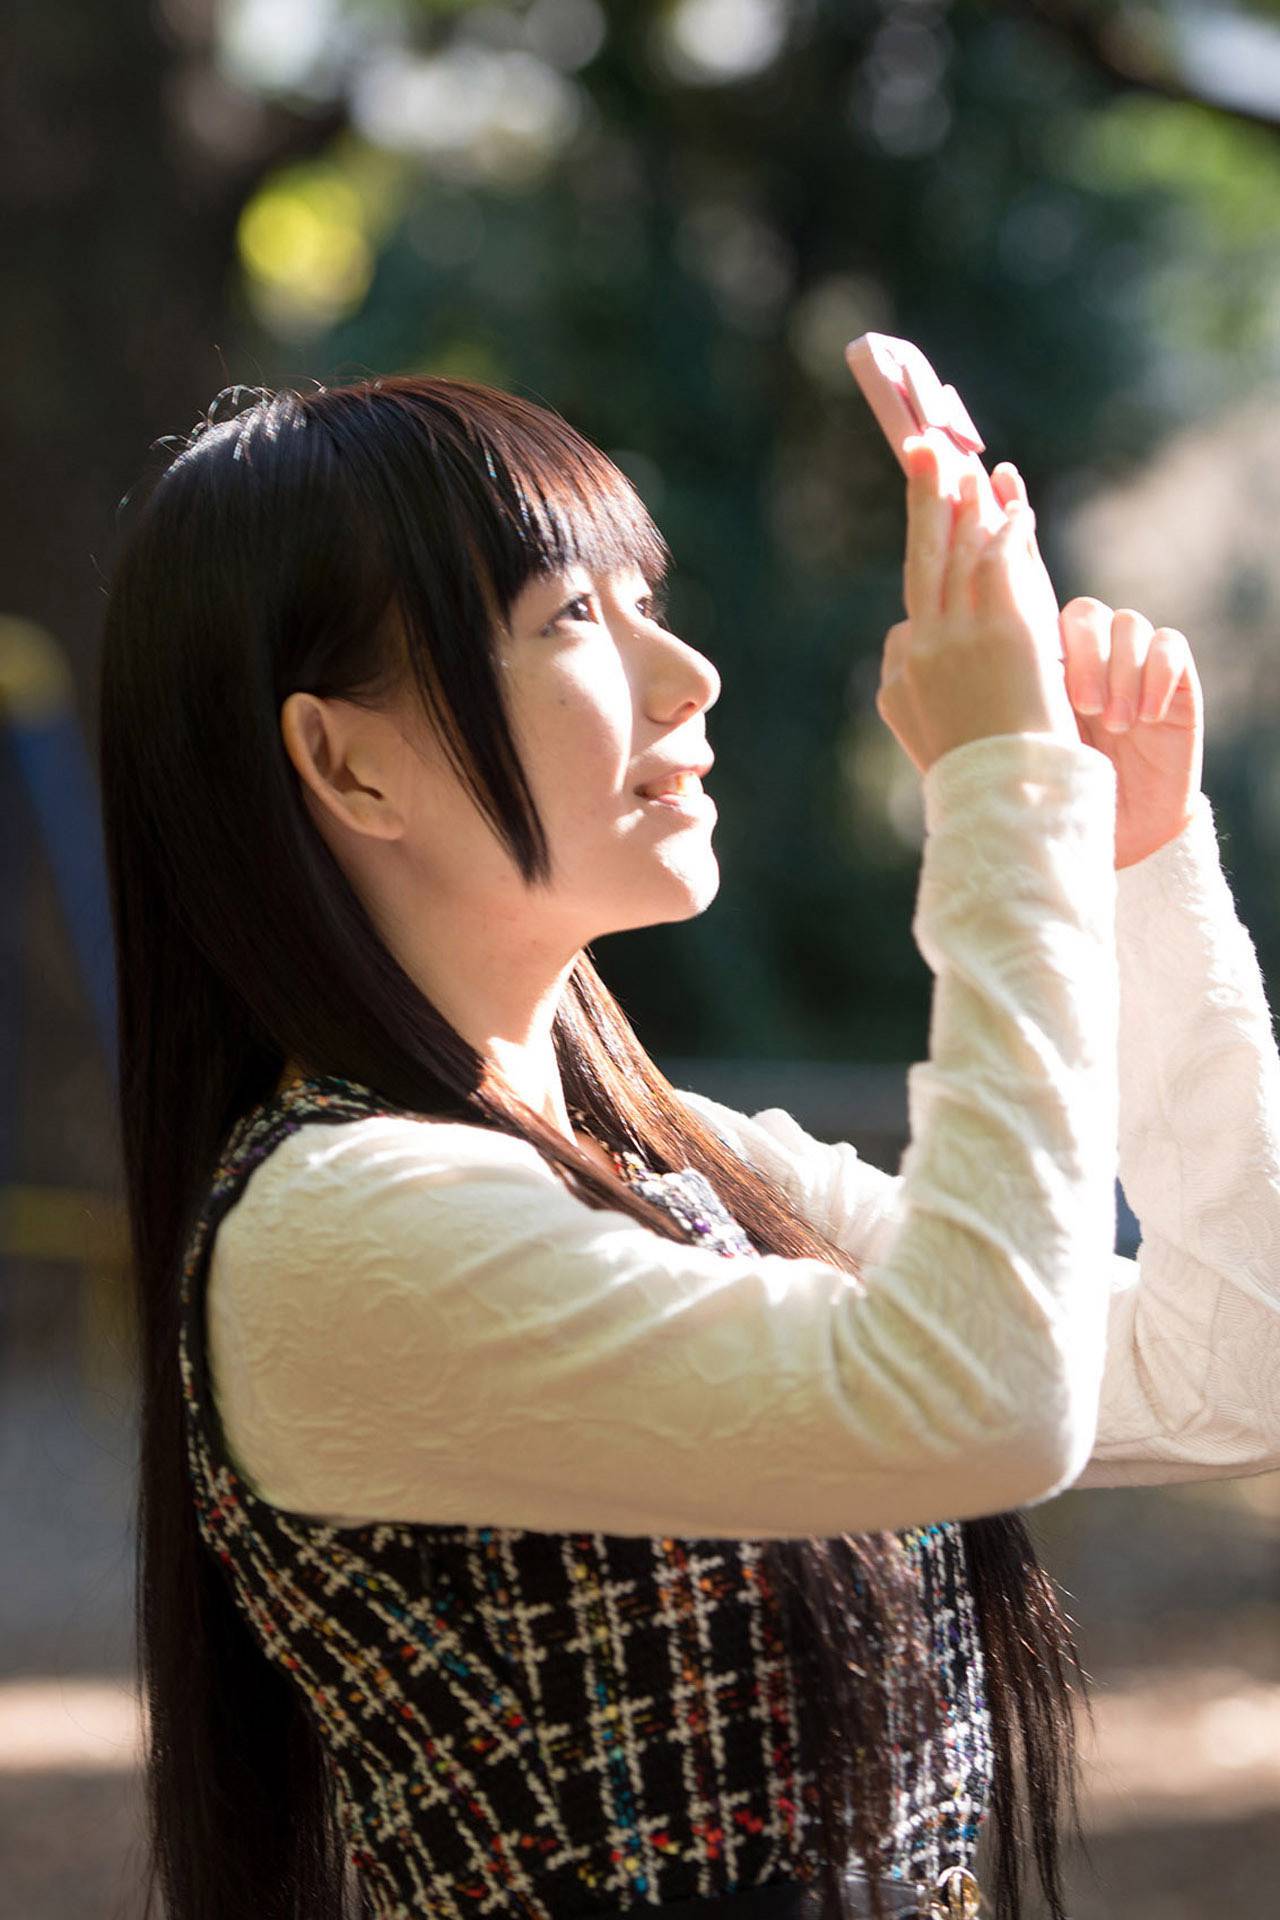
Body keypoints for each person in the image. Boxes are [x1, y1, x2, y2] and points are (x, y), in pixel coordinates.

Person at [96, 376, 1280, 1920]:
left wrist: (1135, 859)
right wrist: (1004, 794)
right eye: (573, 617)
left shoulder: (679, 1159)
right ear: (349, 765)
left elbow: (1234, 1369)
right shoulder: (339, 1225)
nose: (688, 675)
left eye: (647, 602)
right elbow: (990, 1397)